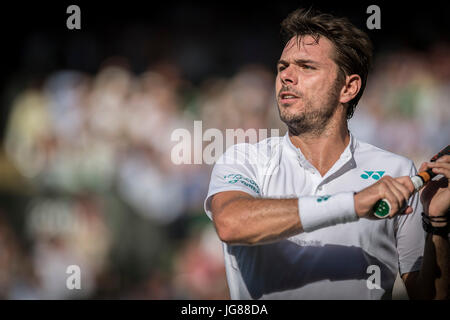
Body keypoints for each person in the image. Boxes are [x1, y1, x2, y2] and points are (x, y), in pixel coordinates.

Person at [204, 8, 449, 300]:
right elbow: (231, 223)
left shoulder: (397, 170)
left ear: (348, 87)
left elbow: (428, 297)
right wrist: (354, 204)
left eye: (306, 67)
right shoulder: (243, 158)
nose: (287, 77)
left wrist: (438, 223)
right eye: (283, 67)